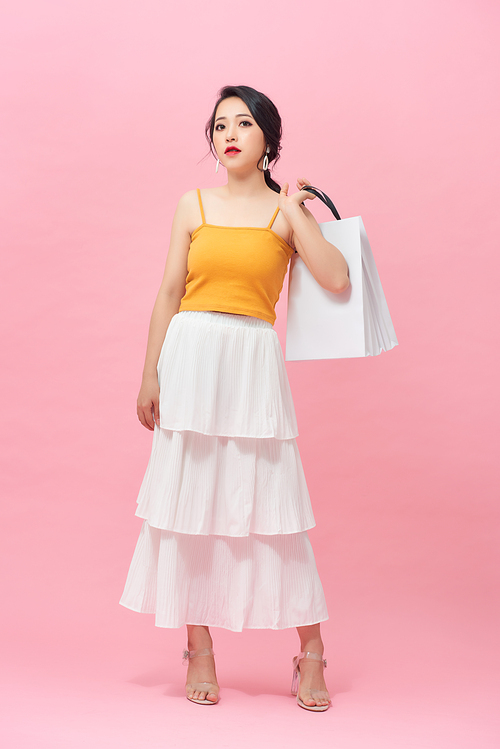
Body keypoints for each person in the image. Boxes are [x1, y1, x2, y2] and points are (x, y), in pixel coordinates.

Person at [120, 85, 350, 712]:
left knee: (273, 507)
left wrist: (299, 211)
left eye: (244, 123)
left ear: (268, 139)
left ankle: (310, 653)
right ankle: (199, 648)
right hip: (190, 356)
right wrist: (150, 376)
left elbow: (336, 277)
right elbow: (168, 293)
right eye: (220, 124)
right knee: (192, 502)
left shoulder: (283, 213)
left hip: (252, 361)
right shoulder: (192, 205)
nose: (229, 134)